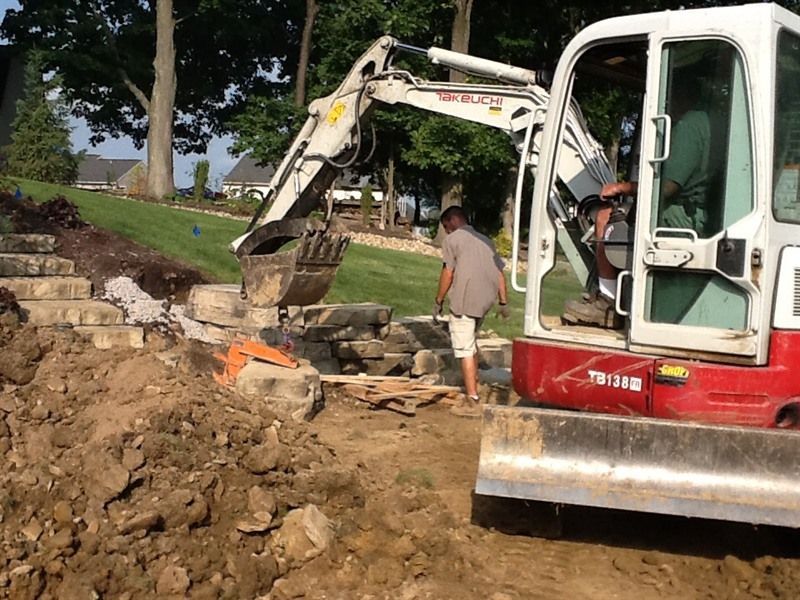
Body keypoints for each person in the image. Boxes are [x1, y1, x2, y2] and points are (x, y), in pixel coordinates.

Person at [563, 72, 713, 328]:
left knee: (604, 217)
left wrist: (623, 186)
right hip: (699, 214)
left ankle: (609, 303)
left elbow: (667, 186)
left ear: (679, 95)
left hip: (677, 216)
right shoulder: (711, 123)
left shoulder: (690, 126)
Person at [434, 206, 509, 417]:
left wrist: (438, 300)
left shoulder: (452, 240)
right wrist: (503, 302)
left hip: (464, 302)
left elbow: (448, 272)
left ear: (454, 220)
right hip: (485, 301)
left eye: (447, 226)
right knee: (471, 343)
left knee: (464, 348)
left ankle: (472, 399)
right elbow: (499, 273)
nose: (447, 231)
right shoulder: (487, 241)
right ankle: (474, 383)